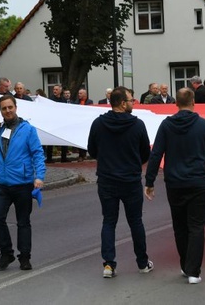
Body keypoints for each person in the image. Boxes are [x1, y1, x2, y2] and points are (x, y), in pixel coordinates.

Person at [144, 88, 205, 284]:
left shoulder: (166, 125)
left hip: (175, 183)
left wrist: (150, 181)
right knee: (196, 226)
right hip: (198, 182)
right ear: (194, 102)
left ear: (175, 103)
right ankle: (194, 271)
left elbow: (156, 154)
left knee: (179, 226)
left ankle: (185, 265)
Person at [87, 86, 153, 278]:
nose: (133, 103)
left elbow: (92, 149)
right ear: (123, 103)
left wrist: (107, 160)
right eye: (131, 100)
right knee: (135, 222)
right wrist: (133, 162)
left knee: (109, 221)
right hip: (130, 180)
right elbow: (145, 153)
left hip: (107, 179)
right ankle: (142, 263)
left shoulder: (98, 124)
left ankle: (108, 265)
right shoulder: (137, 125)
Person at [0, 95, 46, 271]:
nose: (7, 111)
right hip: (2, 183)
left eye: (10, 107)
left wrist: (39, 176)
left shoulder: (28, 129)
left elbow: (38, 153)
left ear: (15, 107)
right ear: (0, 111)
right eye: (4, 108)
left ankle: (25, 257)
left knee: (23, 222)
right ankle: (6, 253)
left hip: (23, 183)